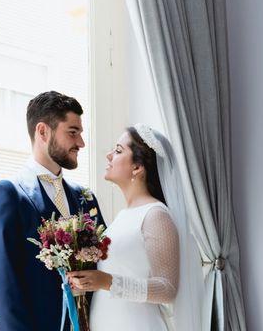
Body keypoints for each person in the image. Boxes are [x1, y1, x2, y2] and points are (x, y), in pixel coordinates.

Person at [0, 91, 105, 331]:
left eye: (81, 133)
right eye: (72, 132)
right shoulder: (7, 195)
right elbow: (3, 287)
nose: (81, 143)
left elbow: (104, 265)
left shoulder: (85, 197)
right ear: (42, 131)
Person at [68, 124, 203, 331]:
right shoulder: (122, 217)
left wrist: (107, 282)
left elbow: (167, 289)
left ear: (137, 167)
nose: (109, 155)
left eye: (118, 150)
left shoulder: (156, 215)